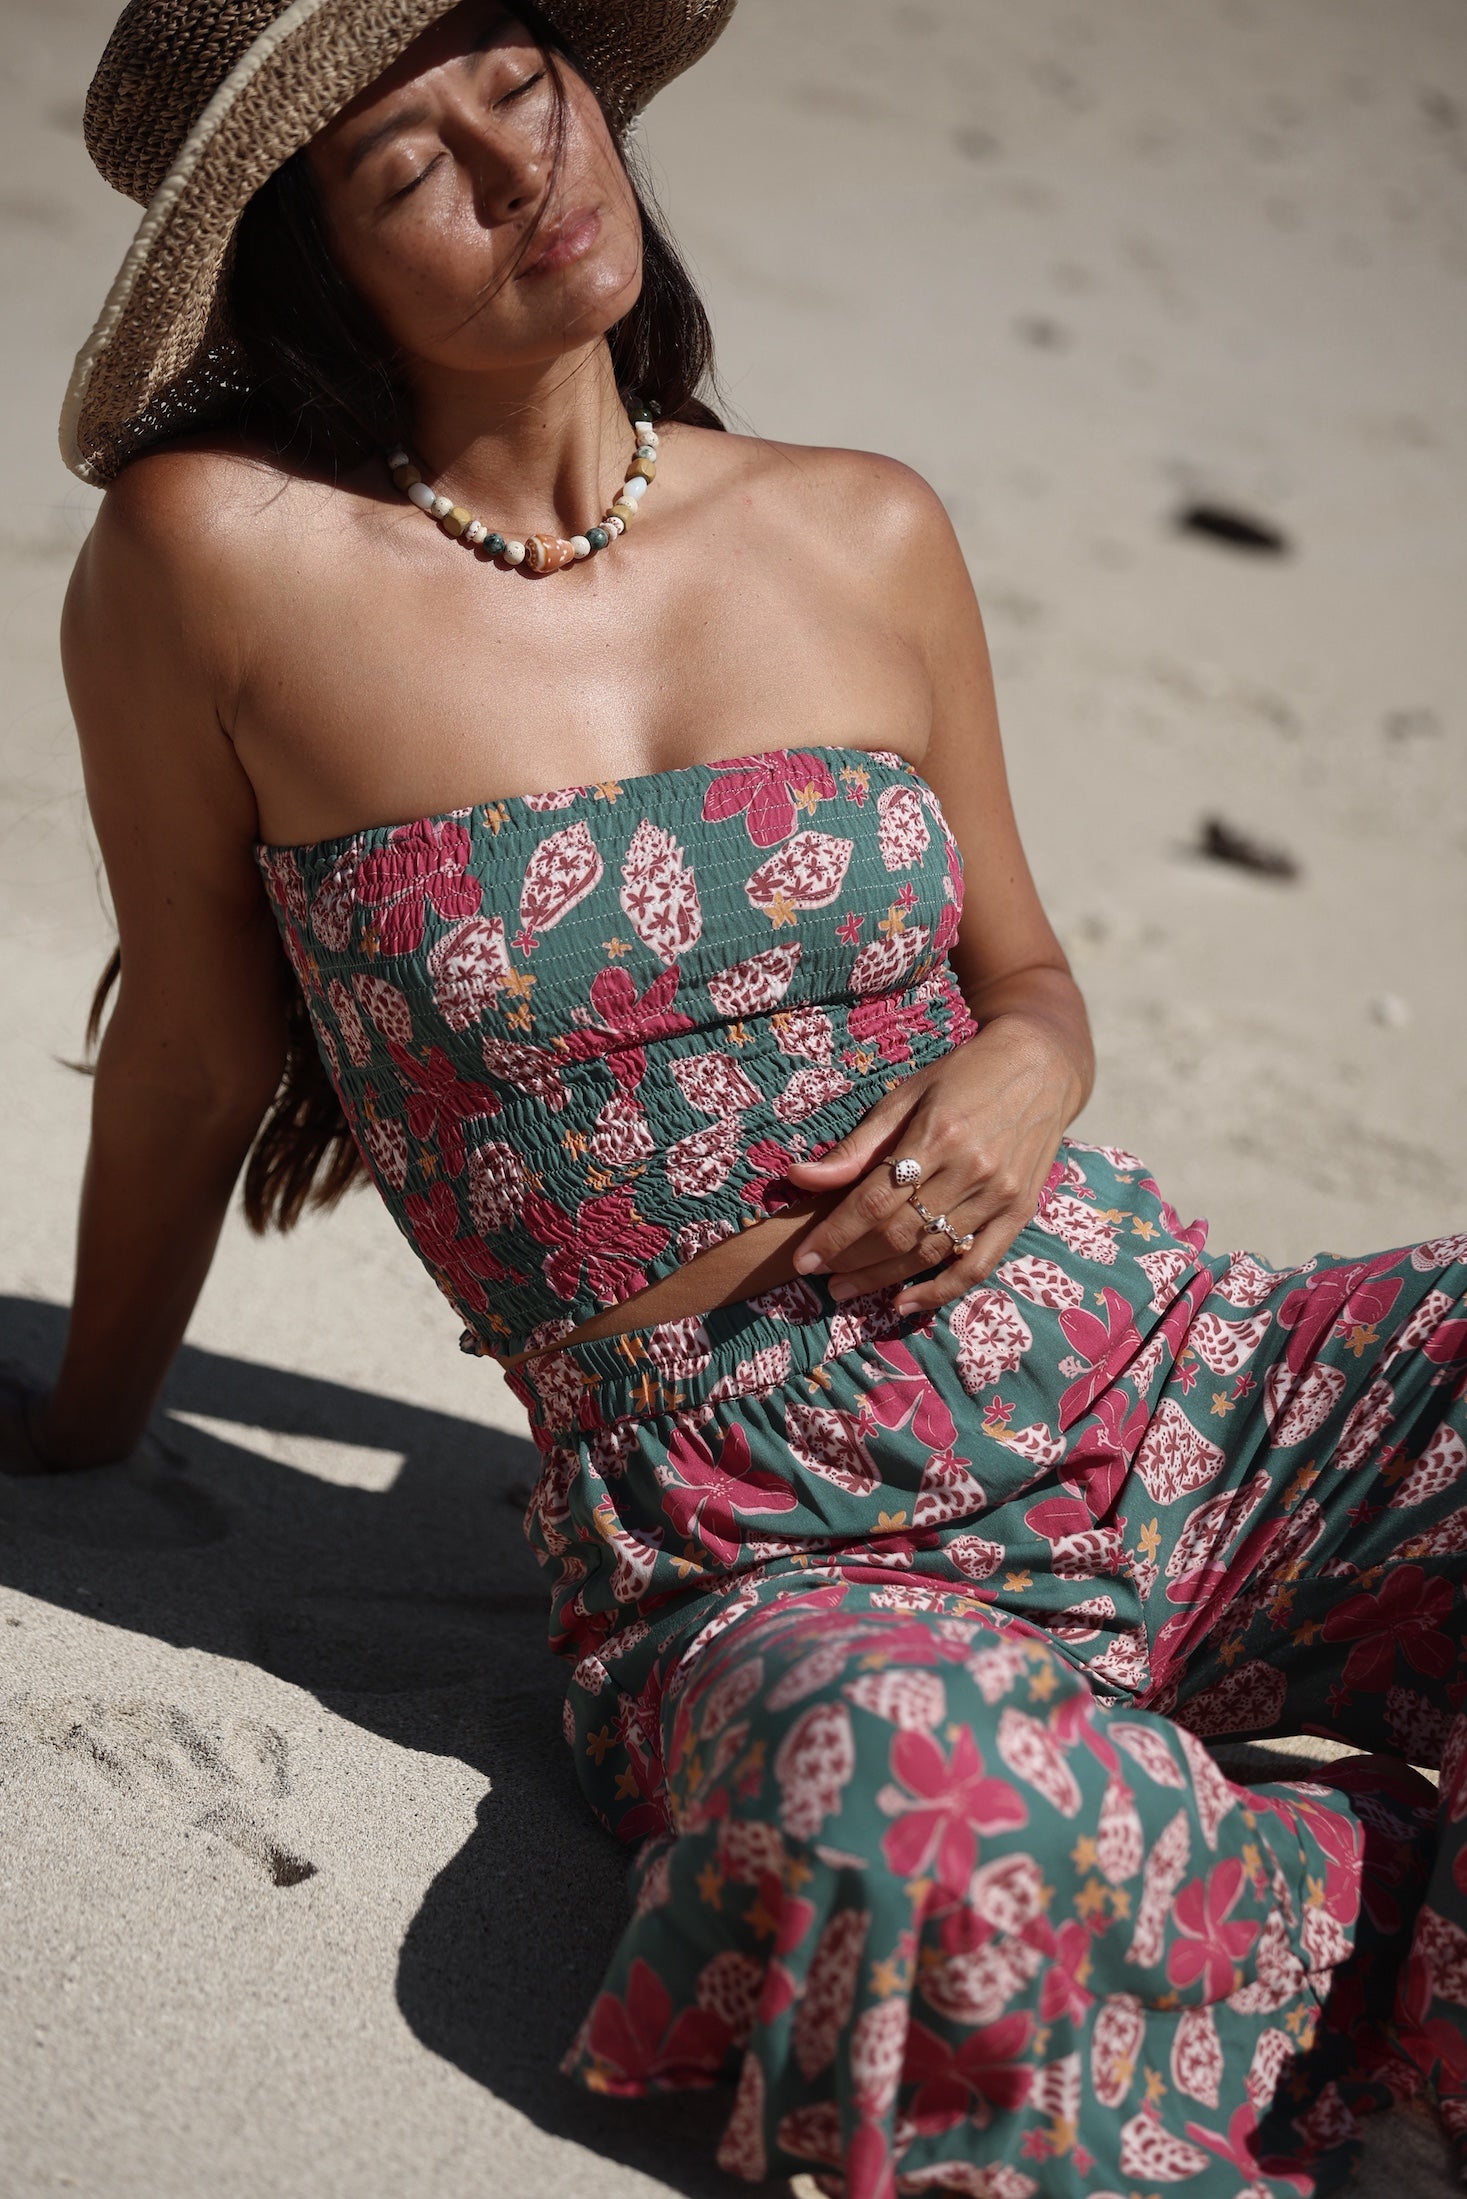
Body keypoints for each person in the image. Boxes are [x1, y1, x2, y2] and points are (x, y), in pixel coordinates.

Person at [5, 0, 1465, 2191]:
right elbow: (202, 1059)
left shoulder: (859, 526)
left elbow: (1031, 979)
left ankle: (1198, 1865)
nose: (515, 167)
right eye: (406, 168)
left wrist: (1016, 1079)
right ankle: (1342, 1890)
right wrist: (81, 1429)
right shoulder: (210, 563)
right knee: (903, 1811)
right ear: (308, 272)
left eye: (515, 80)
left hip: (1164, 1367)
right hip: (760, 1538)